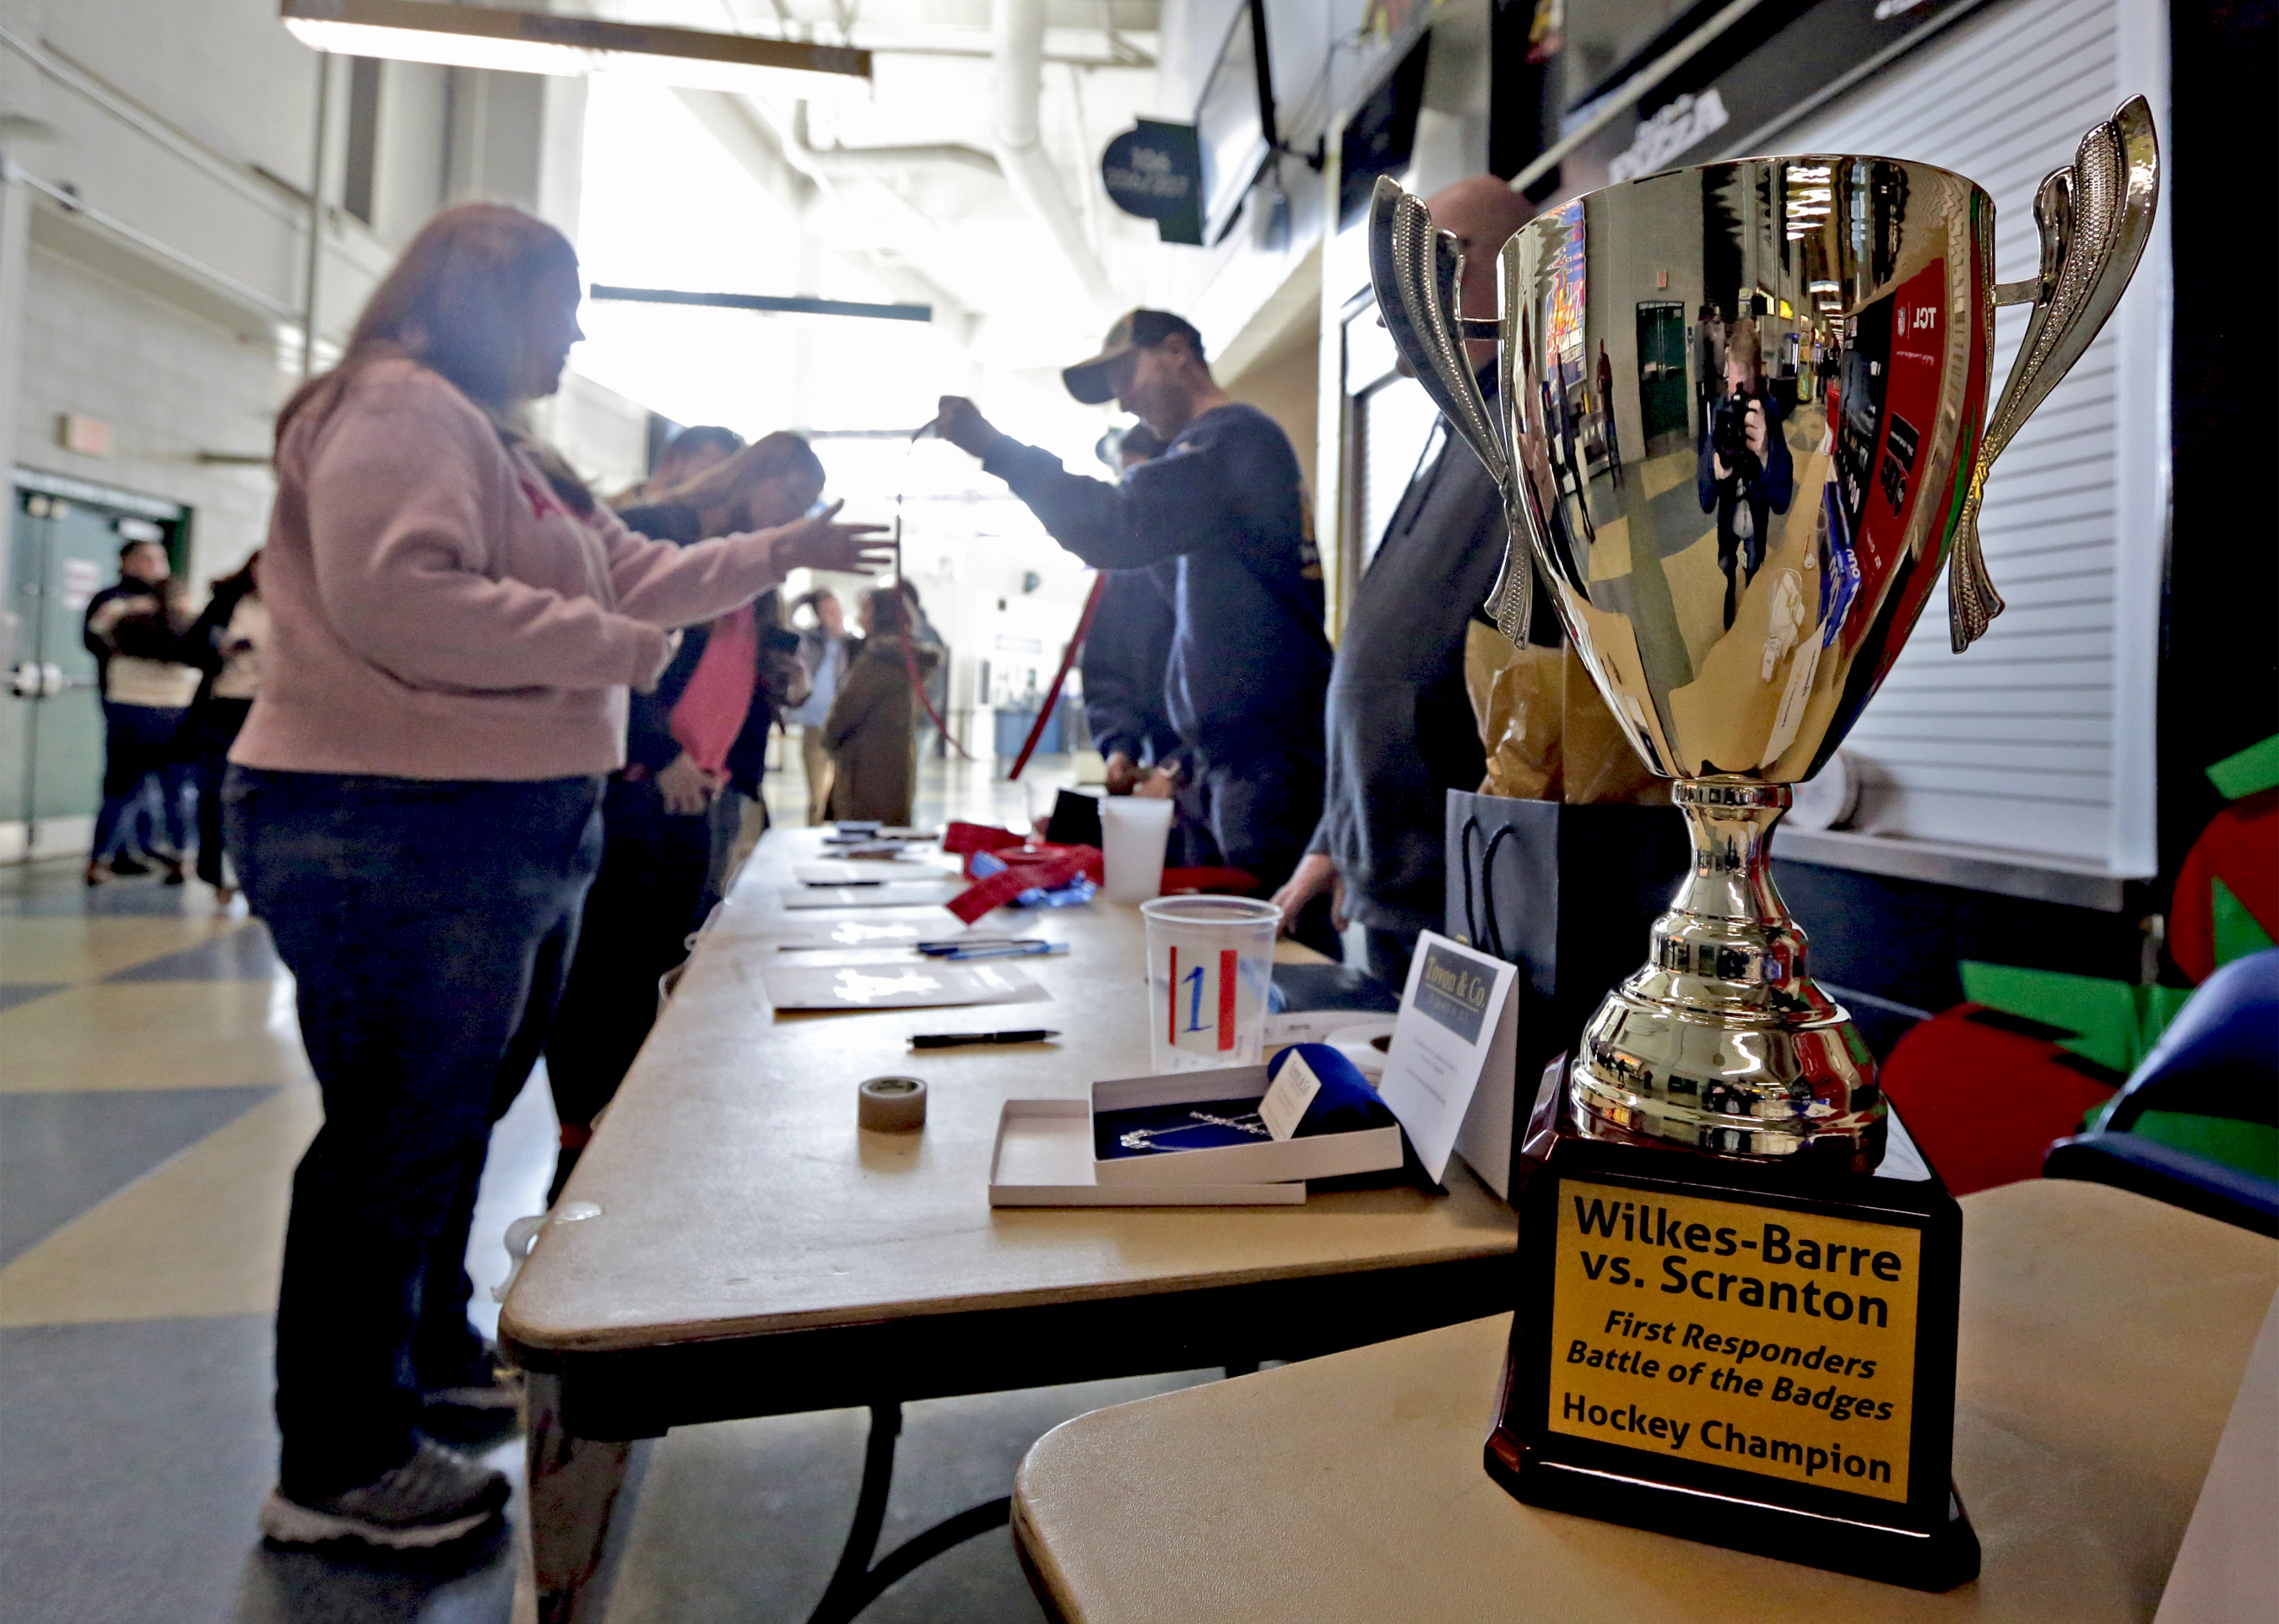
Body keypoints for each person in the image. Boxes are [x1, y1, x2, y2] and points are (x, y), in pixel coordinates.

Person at [222, 202, 886, 1551]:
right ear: (491, 300)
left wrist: (772, 555)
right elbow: (400, 597)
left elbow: (639, 569)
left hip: (486, 825)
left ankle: (420, 1361)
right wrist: (623, 657)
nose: (577, 332)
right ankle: (336, 1463)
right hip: (394, 822)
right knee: (391, 1138)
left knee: (448, 1119)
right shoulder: (401, 409)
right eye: (562, 301)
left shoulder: (501, 445)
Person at [929, 310, 1333, 927]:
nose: (1122, 400)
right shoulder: (1223, 461)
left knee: (1276, 966)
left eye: (1126, 372)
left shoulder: (1231, 439)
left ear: (1176, 351)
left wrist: (997, 450)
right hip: (1227, 769)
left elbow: (1115, 524)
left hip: (1266, 771)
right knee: (1227, 960)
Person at [1272, 176, 1551, 983]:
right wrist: (1338, 836)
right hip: (1397, 882)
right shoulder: (1455, 428)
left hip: (1484, 903)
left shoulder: (1541, 423)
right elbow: (1391, 658)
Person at [543, 432, 827, 1201]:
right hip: (634, 786)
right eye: (789, 502)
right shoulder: (666, 534)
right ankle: (581, 1138)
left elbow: (738, 675)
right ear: (756, 476)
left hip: (700, 797)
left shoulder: (754, 572)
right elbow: (608, 647)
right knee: (606, 972)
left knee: (669, 962)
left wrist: (784, 680)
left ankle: (633, 1129)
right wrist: (656, 747)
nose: (790, 521)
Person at [82, 539, 200, 885]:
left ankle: (103, 859)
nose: (156, 564)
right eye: (147, 558)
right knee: (172, 790)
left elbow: (95, 634)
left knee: (122, 789)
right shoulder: (187, 619)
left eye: (160, 557)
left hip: (130, 707)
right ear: (126, 562)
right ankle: (179, 857)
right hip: (172, 711)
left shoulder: (117, 614)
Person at [1080, 423, 1183, 797]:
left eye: (1141, 479)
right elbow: (1108, 671)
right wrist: (1118, 747)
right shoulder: (1127, 572)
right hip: (1161, 776)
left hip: (1229, 774)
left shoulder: (1221, 565)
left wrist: (1181, 768)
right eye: (1126, 479)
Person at [1698, 317, 1794, 630]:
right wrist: (1714, 467)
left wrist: (1766, 452)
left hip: (1757, 521)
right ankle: (1729, 590)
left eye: (1744, 389)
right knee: (1726, 563)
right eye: (1731, 385)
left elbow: (1781, 501)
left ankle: (1751, 602)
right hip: (1727, 521)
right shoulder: (1718, 410)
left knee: (1754, 568)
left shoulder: (1770, 411)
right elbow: (1704, 498)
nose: (1735, 398)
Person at [181, 551, 266, 901]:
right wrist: (224, 651)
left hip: (272, 709)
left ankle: (257, 877)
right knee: (217, 790)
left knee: (261, 795)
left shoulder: (302, 605)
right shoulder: (228, 603)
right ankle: (219, 875)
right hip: (226, 705)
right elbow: (190, 648)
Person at [823, 582, 937, 825]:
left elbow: (846, 711)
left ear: (881, 615)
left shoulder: (879, 661)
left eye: (866, 611)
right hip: (894, 767)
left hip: (865, 771)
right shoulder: (904, 659)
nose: (861, 618)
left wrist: (829, 739)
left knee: (865, 841)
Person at [790, 587, 854, 823]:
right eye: (827, 611)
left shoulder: (852, 644)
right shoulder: (809, 640)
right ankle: (813, 831)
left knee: (840, 793)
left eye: (836, 609)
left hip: (842, 725)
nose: (834, 615)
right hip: (815, 725)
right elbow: (786, 623)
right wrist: (802, 600)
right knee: (817, 792)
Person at [609, 423, 744, 510]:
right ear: (671, 461)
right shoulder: (599, 519)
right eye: (711, 474)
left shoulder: (693, 542)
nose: (715, 487)